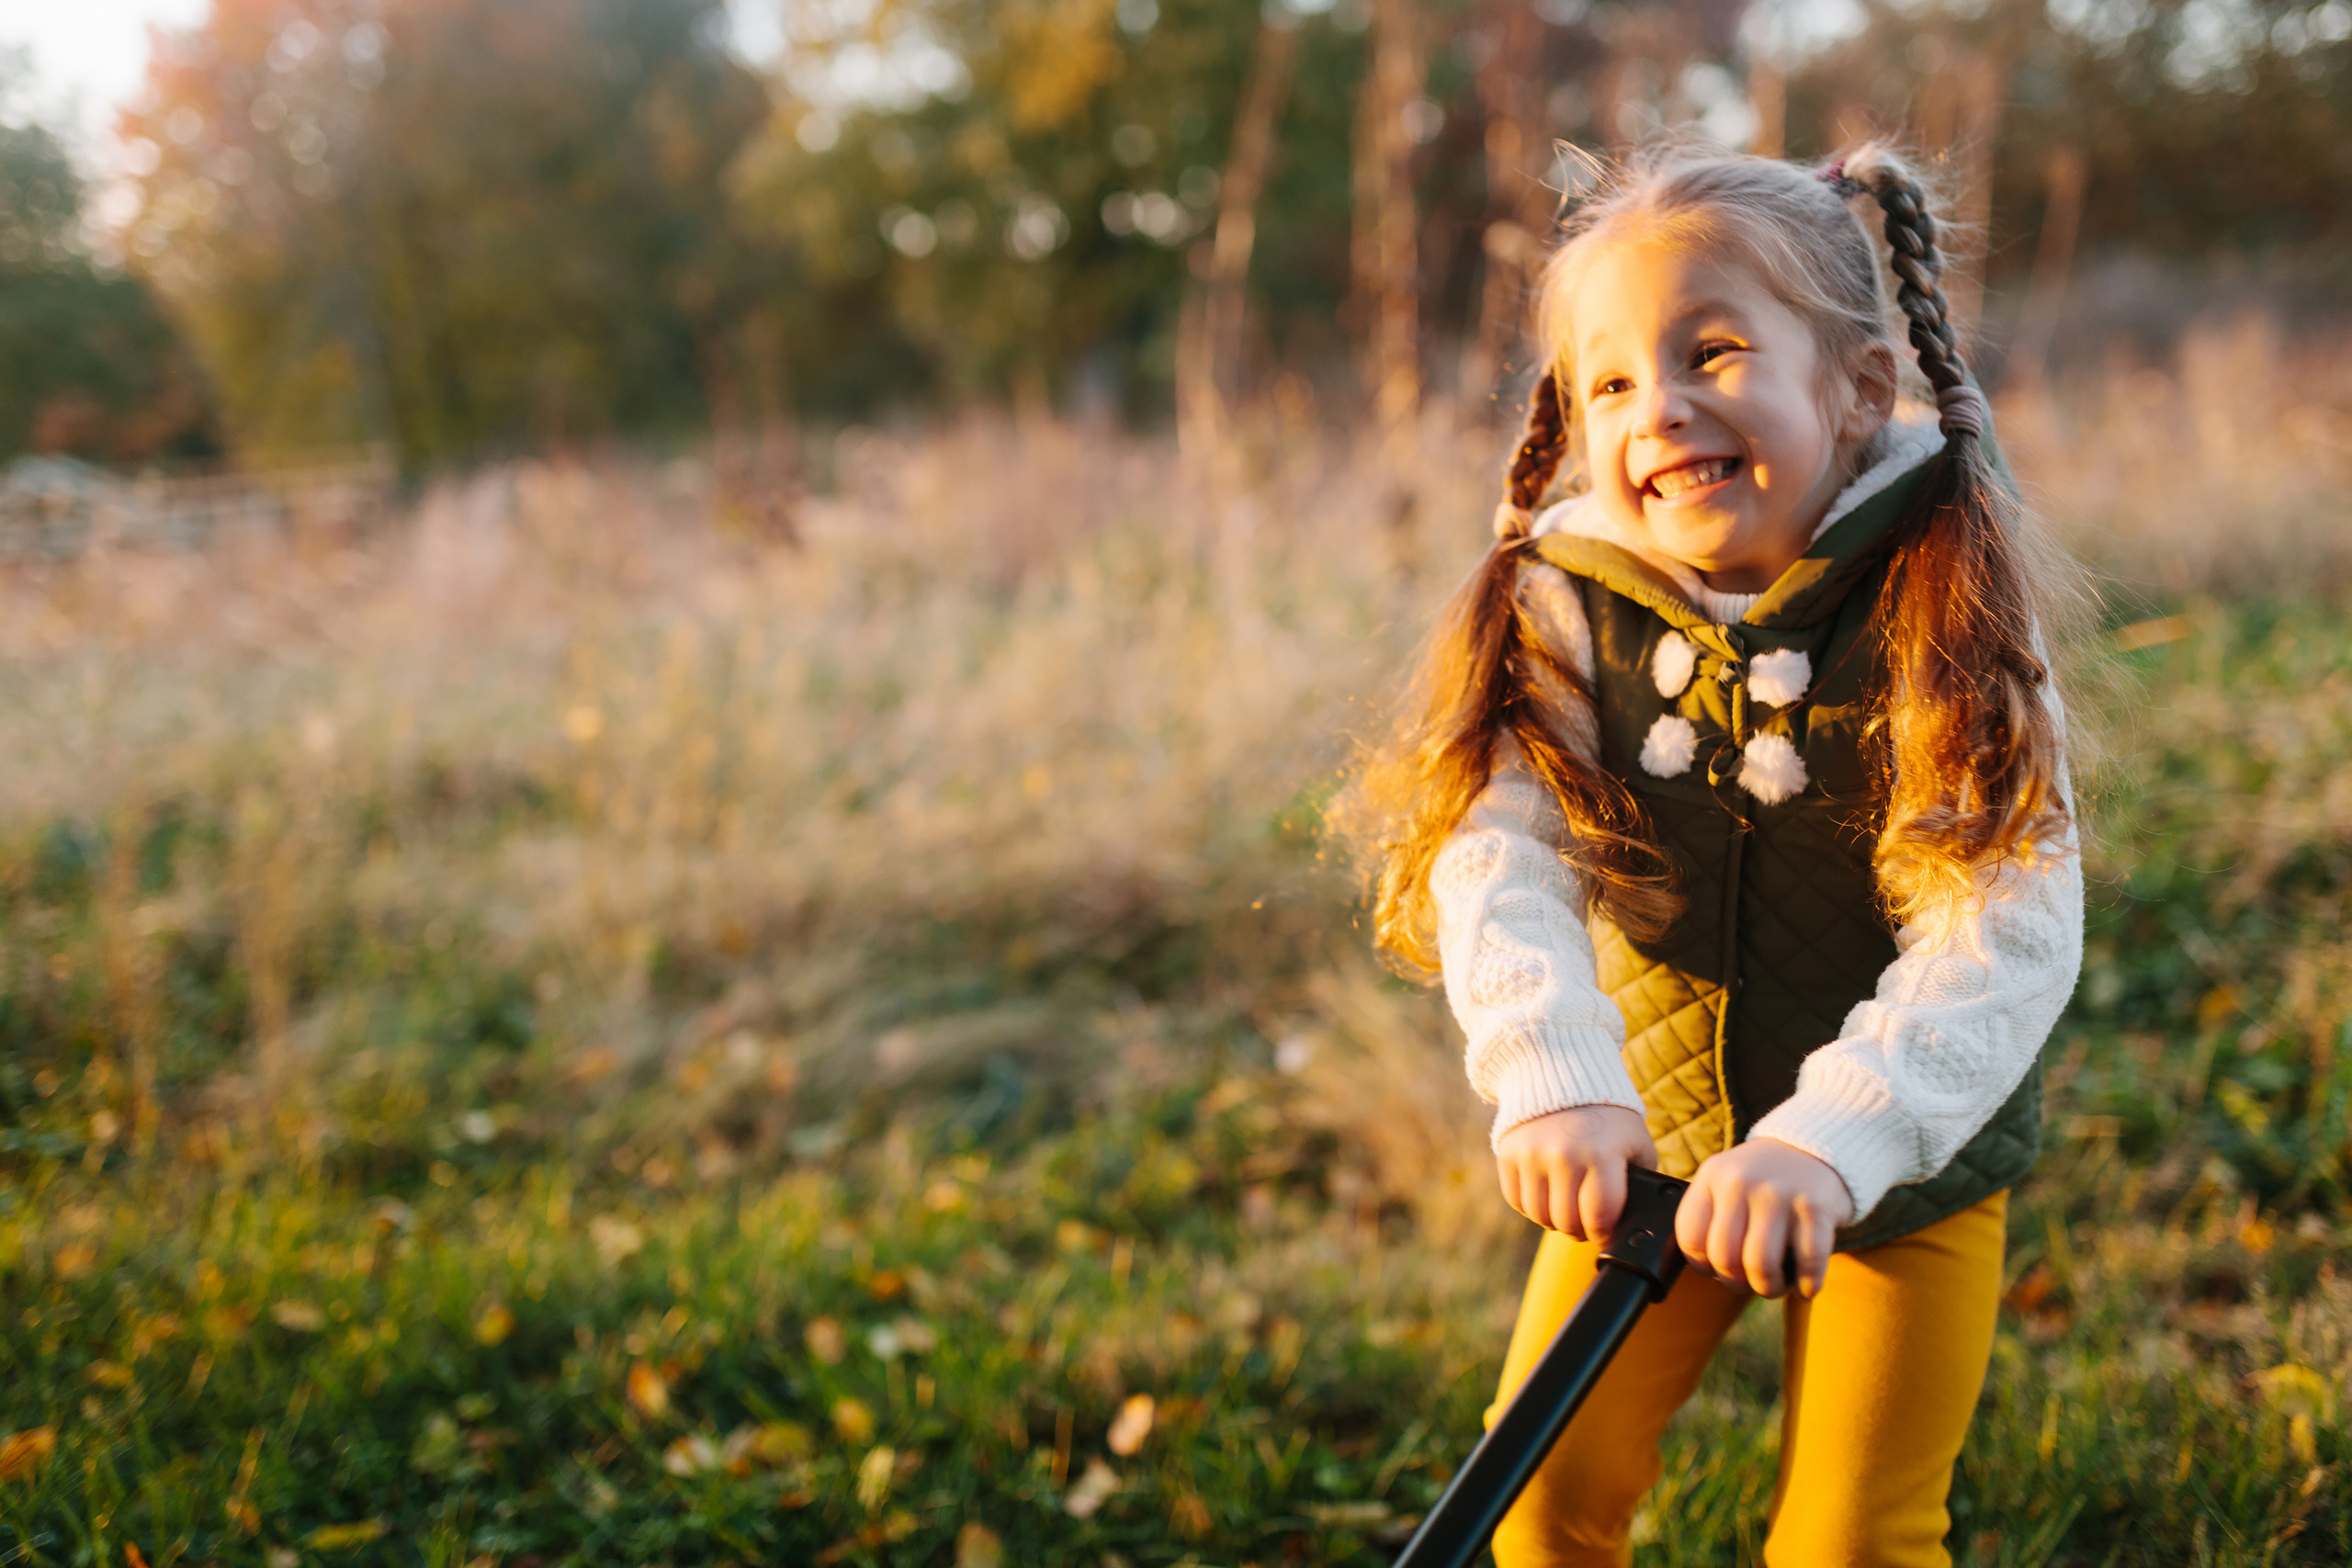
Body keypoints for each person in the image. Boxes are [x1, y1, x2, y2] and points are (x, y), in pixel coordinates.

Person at [1348, 144, 2085, 1565]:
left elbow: (2005, 922)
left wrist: (1836, 1141)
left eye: (1716, 351)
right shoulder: (1570, 605)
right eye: (1611, 382)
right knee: (1543, 1511)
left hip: (1895, 1168)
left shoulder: (1944, 594)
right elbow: (1501, 853)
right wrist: (1556, 1075)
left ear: (1861, 389)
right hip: (1648, 1143)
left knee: (1853, 1544)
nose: (1660, 409)